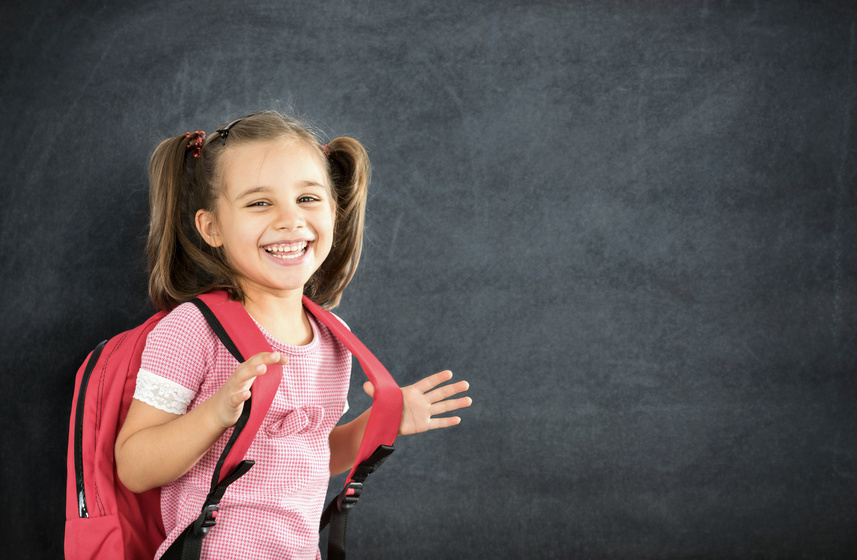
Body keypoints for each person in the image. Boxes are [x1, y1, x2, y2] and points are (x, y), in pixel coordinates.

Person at [114, 111, 472, 559]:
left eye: (307, 198)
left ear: (335, 212)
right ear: (212, 228)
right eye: (259, 203)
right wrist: (214, 414)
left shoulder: (333, 336)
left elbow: (317, 456)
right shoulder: (193, 329)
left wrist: (382, 423)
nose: (290, 220)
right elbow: (134, 467)